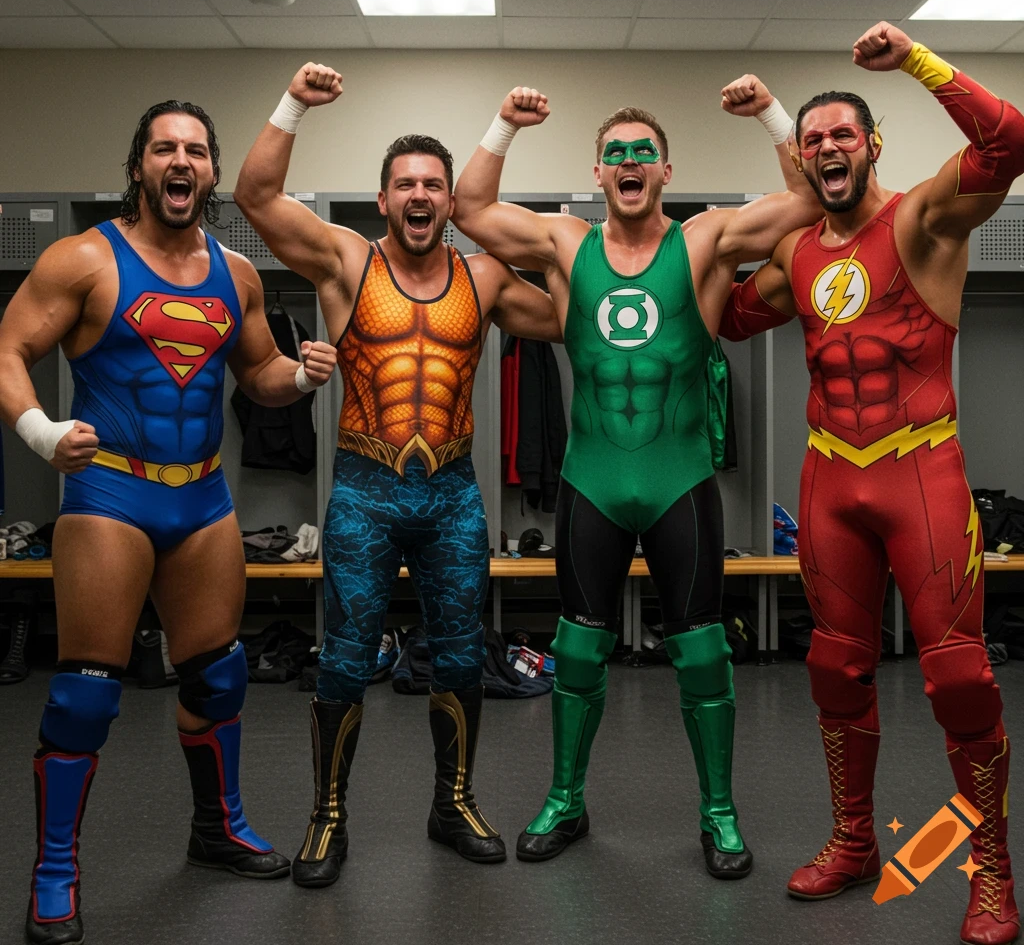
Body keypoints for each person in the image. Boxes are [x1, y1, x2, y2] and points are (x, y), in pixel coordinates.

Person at [451, 75, 820, 874]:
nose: (627, 162)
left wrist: (771, 116)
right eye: (613, 153)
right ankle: (565, 801)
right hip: (592, 479)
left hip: (680, 475)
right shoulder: (563, 244)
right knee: (577, 651)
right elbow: (470, 209)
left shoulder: (707, 239)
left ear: (665, 172)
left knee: (703, 652)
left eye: (641, 154)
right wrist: (505, 124)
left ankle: (719, 813)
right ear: (597, 174)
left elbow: (807, 201)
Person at [0, 100, 338, 945]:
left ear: (213, 171)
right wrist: (40, 431)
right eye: (163, 149)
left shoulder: (238, 273)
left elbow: (255, 370)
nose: (179, 162)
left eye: (194, 149)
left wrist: (298, 378)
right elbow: (8, 352)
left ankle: (215, 828)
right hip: (111, 494)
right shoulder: (84, 259)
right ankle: (54, 871)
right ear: (140, 166)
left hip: (202, 498)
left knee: (217, 676)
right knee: (84, 693)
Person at [719, 22, 1024, 945]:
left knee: (961, 679)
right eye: (811, 144)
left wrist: (919, 62)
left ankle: (992, 874)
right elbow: (728, 319)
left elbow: (1009, 142)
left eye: (842, 136)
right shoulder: (798, 255)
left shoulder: (925, 218)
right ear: (802, 164)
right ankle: (855, 844)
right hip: (830, 480)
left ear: (871, 145)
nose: (827, 151)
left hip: (921, 468)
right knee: (832, 667)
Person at [233, 63, 563, 884]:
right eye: (404, 184)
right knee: (344, 658)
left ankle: (452, 804)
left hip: (451, 493)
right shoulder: (345, 261)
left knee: (459, 655)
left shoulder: (484, 278)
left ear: (452, 202)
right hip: (364, 490)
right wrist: (294, 106)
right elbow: (254, 197)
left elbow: (569, 318)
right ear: (383, 200)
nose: (420, 196)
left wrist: (569, 240)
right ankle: (326, 816)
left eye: (435, 185)